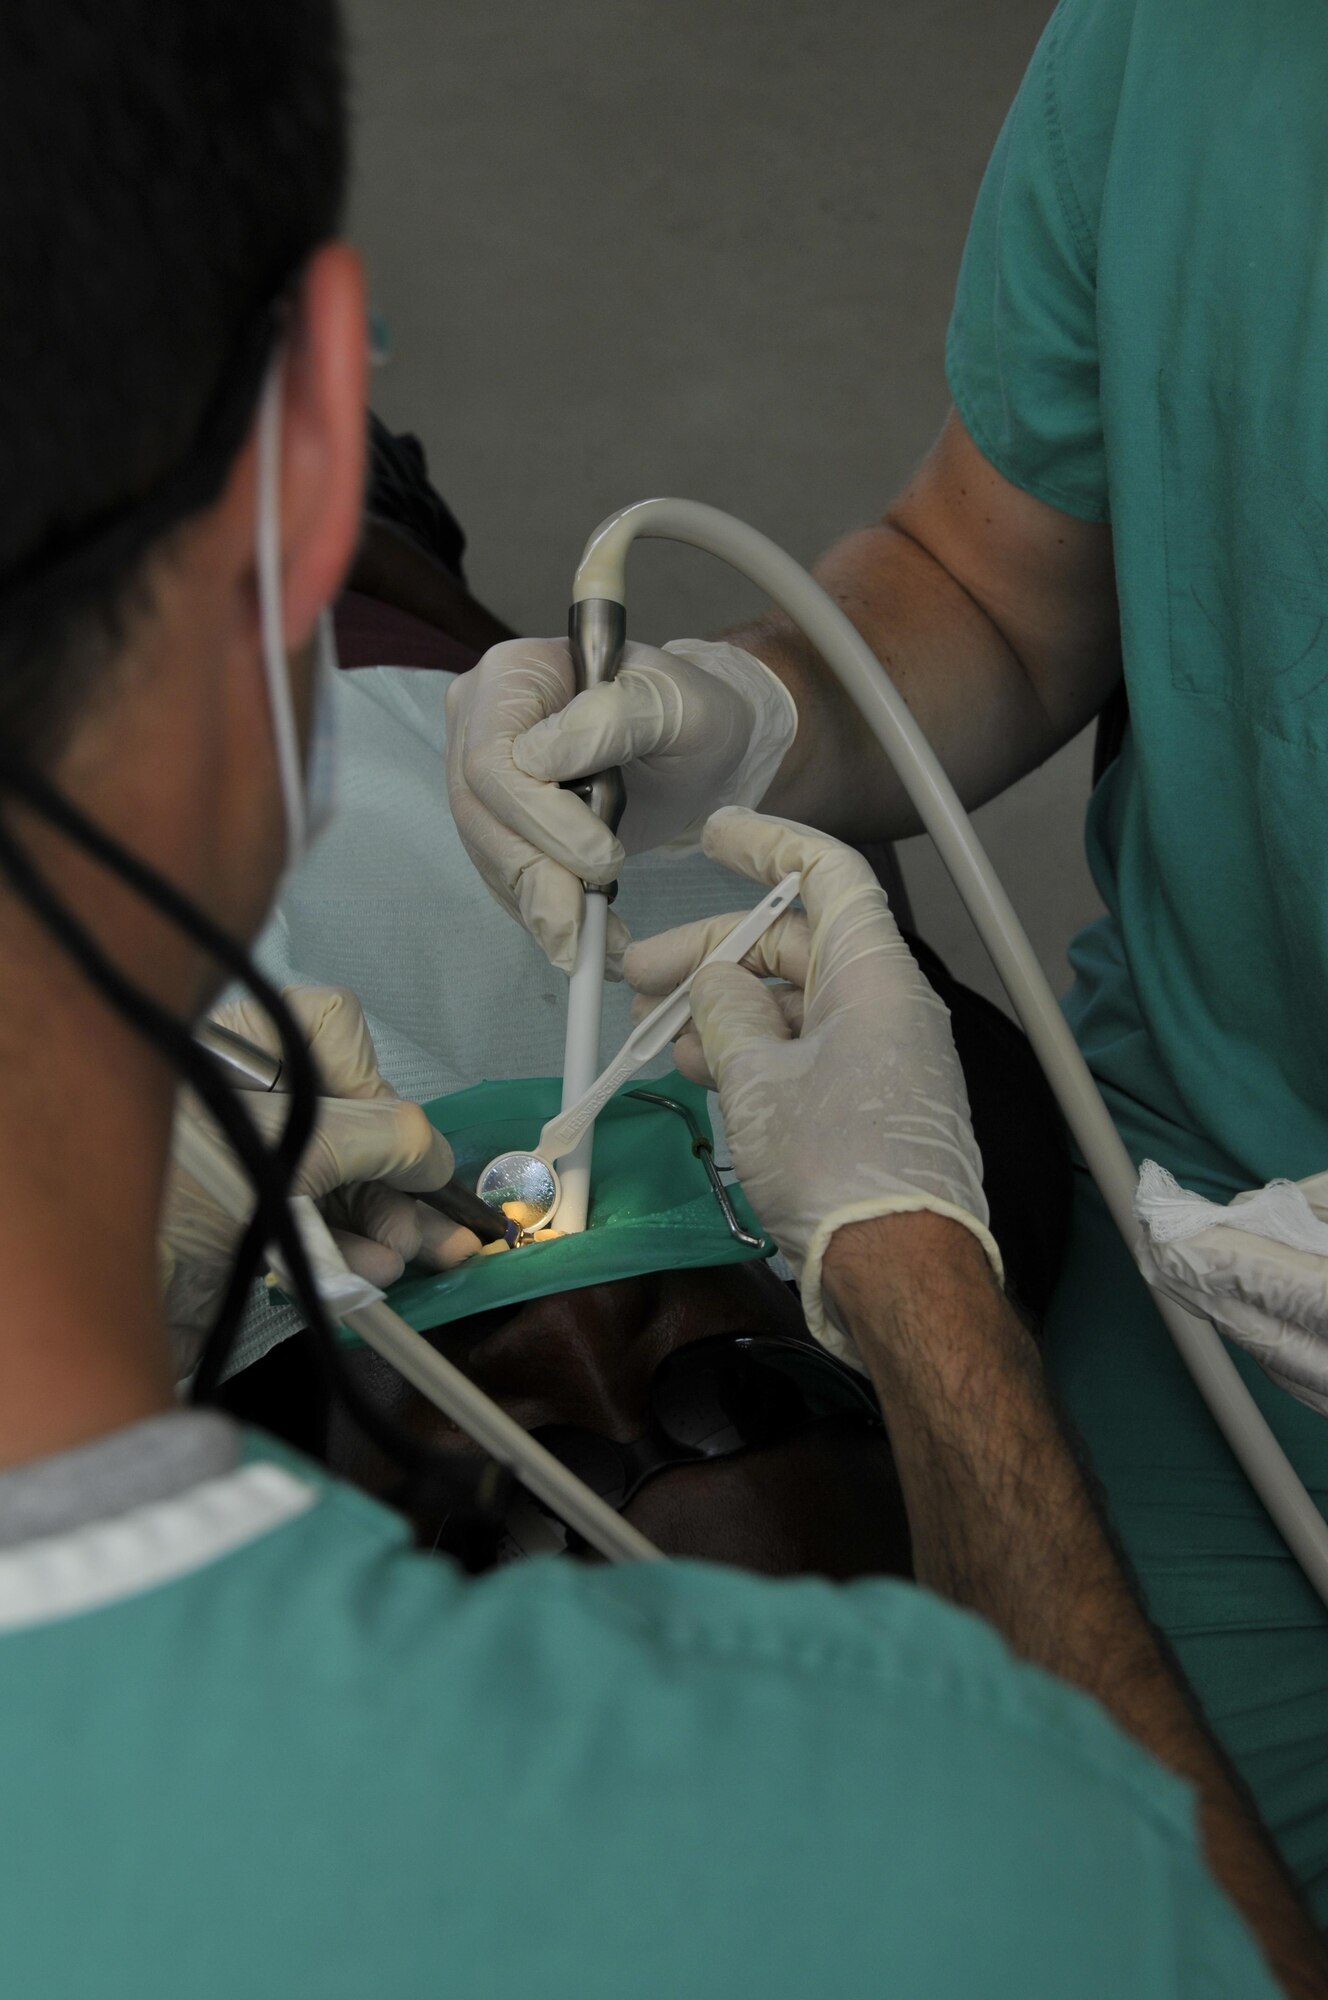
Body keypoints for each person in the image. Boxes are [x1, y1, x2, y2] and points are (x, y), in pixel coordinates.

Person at [0, 5, 1318, 1997]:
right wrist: (914, 1290)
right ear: (320, 440)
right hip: (1203, 1239)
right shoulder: (1195, 52)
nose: (608, 1423)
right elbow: (1169, 1926)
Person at [446, 0, 1328, 1922]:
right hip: (1196, 1240)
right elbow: (993, 583)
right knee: (1002, 1873)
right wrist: (741, 723)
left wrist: (914, 1288)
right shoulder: (1183, 48)